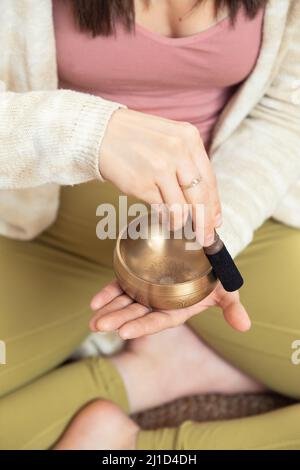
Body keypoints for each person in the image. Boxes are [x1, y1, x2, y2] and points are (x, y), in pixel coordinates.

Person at [0, 0, 300, 450]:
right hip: (48, 218)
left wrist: (217, 231)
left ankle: (151, 419)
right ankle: (146, 373)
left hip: (222, 212)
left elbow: (284, 109)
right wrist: (89, 133)